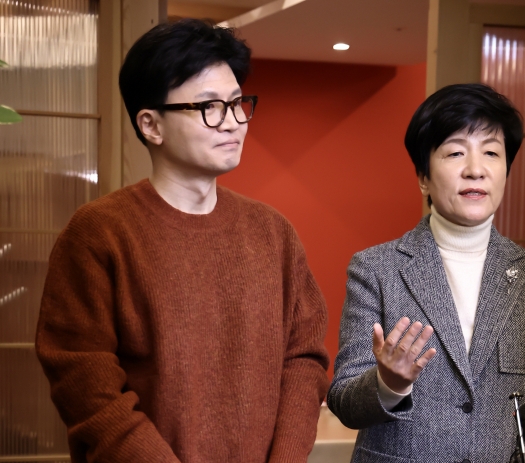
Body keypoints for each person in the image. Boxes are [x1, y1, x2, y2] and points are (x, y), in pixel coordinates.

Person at [36, 19, 329, 463]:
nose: (232, 123)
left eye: (238, 104)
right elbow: (84, 379)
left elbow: (303, 359)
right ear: (151, 125)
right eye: (210, 107)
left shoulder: (273, 232)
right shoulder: (99, 232)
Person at [327, 84, 525, 463]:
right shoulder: (375, 269)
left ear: (506, 170)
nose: (475, 169)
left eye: (491, 152)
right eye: (456, 152)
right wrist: (388, 384)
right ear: (423, 176)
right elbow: (344, 400)